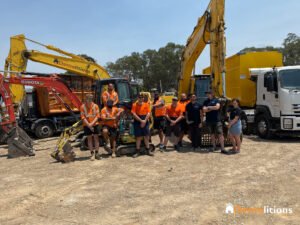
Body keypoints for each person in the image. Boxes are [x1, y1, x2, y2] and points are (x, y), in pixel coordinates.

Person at [131, 93, 154, 157]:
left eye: (142, 97)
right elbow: (134, 114)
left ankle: (148, 150)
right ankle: (137, 152)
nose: (141, 99)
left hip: (145, 120)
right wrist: (141, 121)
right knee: (138, 137)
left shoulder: (146, 104)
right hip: (138, 121)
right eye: (139, 97)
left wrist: (145, 121)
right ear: (137, 98)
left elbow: (148, 113)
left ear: (143, 98)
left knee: (146, 136)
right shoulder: (134, 105)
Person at [80, 94, 101, 160]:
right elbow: (83, 117)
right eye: (88, 99)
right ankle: (92, 154)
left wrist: (91, 124)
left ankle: (97, 153)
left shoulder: (95, 106)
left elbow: (97, 116)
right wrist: (89, 125)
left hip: (94, 124)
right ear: (86, 99)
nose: (89, 100)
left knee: (96, 138)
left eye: (90, 99)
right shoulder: (82, 107)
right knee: (89, 139)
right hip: (87, 125)